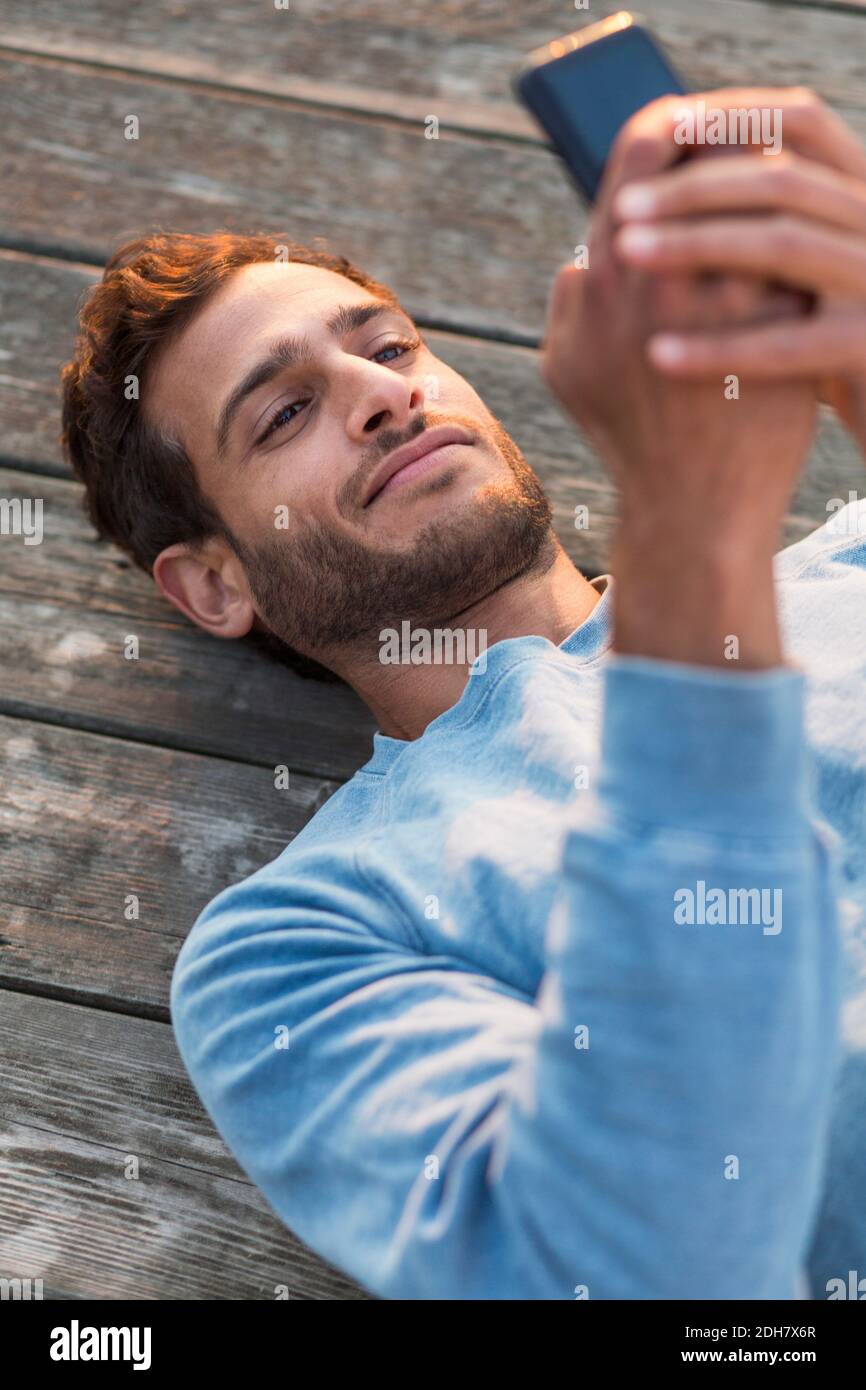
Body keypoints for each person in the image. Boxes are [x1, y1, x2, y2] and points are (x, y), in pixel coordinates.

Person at [60, 87, 866, 1298]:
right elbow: (631, 1272)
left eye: (389, 348)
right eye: (285, 413)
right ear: (216, 582)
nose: (385, 394)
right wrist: (689, 525)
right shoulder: (301, 945)